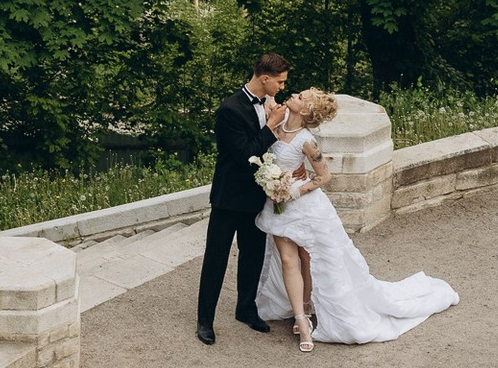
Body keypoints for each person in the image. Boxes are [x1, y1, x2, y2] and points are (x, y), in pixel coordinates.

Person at [253, 88, 458, 351]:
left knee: (306, 257)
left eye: (301, 97)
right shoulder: (278, 119)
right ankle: (301, 319)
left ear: (305, 111)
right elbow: (266, 94)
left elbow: (324, 176)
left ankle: (306, 305)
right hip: (278, 205)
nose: (294, 94)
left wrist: (294, 191)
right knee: (287, 260)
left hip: (303, 206)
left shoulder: (307, 141)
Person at [195, 53, 290, 345]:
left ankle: (246, 309)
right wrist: (271, 126)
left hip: (256, 197)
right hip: (228, 198)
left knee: (253, 255)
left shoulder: (270, 104)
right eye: (279, 82)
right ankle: (205, 320)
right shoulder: (230, 109)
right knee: (216, 258)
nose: (282, 87)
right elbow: (245, 154)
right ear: (265, 78)